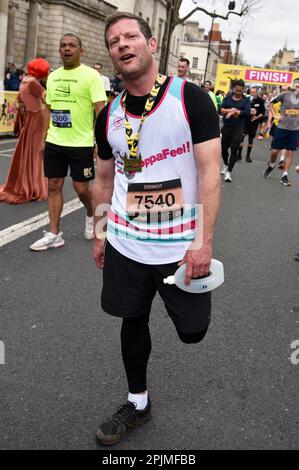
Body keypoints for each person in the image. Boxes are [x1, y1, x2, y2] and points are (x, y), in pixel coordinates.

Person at [92, 11, 221, 446]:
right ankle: (137, 401)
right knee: (132, 320)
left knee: (193, 333)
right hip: (127, 242)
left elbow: (209, 174)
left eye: (131, 36)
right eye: (114, 41)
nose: (123, 45)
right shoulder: (107, 114)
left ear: (151, 44)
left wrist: (203, 243)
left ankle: (184, 310)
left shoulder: (191, 98)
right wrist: (99, 231)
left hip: (181, 247)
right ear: (111, 54)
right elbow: (105, 179)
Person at [30, 33, 106, 251]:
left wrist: (99, 141)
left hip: (81, 142)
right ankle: (54, 234)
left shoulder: (92, 76)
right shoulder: (53, 77)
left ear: (81, 51)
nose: (67, 49)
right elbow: (48, 109)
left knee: (81, 188)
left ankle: (91, 214)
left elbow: (100, 111)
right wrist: (44, 138)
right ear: (59, 50)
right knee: (54, 185)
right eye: (63, 45)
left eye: (72, 45)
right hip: (56, 140)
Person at [0, 58, 50, 204]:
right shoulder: (34, 83)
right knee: (36, 153)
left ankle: (26, 182)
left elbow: (20, 100)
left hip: (30, 119)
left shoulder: (25, 81)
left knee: (28, 152)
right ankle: (34, 185)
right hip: (38, 118)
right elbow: (47, 99)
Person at [263, 79, 299, 186]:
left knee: (289, 152)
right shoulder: (284, 95)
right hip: (281, 127)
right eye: (297, 86)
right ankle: (272, 164)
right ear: (293, 87)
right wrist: (275, 115)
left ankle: (285, 175)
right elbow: (270, 103)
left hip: (295, 129)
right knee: (274, 151)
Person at [220, 79, 250, 182]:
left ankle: (229, 173)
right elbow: (221, 109)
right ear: (234, 88)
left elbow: (246, 112)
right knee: (223, 149)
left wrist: (234, 112)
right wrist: (231, 110)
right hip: (227, 127)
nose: (238, 92)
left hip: (238, 128)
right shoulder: (228, 98)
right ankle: (225, 164)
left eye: (240, 91)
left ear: (243, 90)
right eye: (236, 90)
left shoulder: (246, 100)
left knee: (234, 149)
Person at [237, 87, 265, 162]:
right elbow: (241, 110)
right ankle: (239, 155)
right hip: (245, 122)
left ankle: (248, 156)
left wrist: (257, 117)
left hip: (253, 124)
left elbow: (263, 112)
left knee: (250, 140)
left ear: (256, 93)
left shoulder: (260, 101)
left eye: (254, 92)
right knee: (241, 139)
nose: (252, 94)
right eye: (251, 92)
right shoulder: (246, 100)